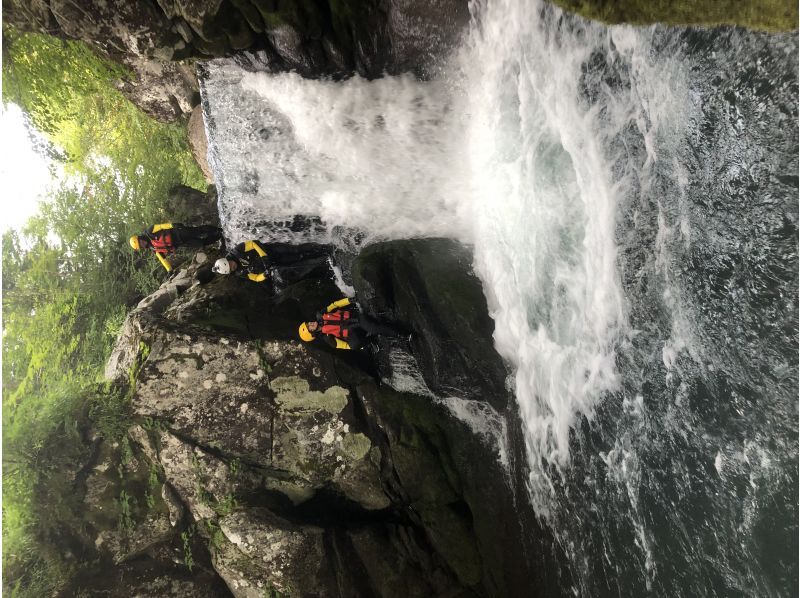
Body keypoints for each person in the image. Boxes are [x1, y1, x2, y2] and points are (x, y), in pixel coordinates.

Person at [298, 297, 407, 350]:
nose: (311, 323)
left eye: (308, 323)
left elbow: (335, 305)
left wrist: (350, 300)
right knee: (354, 345)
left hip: (356, 317)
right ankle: (371, 339)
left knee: (373, 328)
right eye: (309, 327)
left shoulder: (321, 314)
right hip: (353, 332)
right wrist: (357, 346)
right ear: (313, 334)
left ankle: (401, 334)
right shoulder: (328, 339)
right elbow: (344, 345)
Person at [211, 239, 331, 284]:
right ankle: (323, 254)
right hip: (275, 263)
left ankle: (324, 246)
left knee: (296, 249)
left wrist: (263, 256)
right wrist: (265, 275)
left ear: (228, 259)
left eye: (231, 264)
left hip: (272, 249)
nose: (233, 266)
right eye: (231, 268)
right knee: (299, 258)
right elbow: (255, 278)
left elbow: (254, 243)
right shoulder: (239, 272)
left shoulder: (237, 250)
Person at [130, 223, 223, 272]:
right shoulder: (153, 248)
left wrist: (173, 225)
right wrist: (169, 270)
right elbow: (162, 259)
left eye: (140, 242)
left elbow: (161, 226)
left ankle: (218, 229)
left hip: (178, 232)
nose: (142, 244)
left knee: (198, 231)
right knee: (201, 243)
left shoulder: (150, 231)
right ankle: (219, 236)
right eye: (140, 245)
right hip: (181, 243)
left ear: (140, 238)